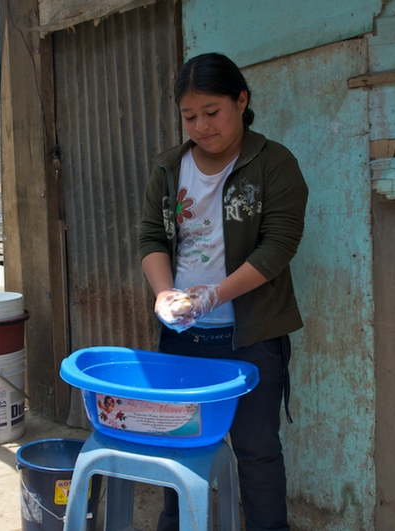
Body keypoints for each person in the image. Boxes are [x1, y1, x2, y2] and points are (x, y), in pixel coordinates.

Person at [137, 52, 308, 531]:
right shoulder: (169, 168)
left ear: (241, 100)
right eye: (189, 116)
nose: (201, 126)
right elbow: (152, 237)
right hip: (183, 340)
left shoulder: (274, 164)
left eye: (212, 112)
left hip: (250, 338)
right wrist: (165, 293)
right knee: (177, 448)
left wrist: (214, 295)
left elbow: (278, 247)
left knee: (257, 453)